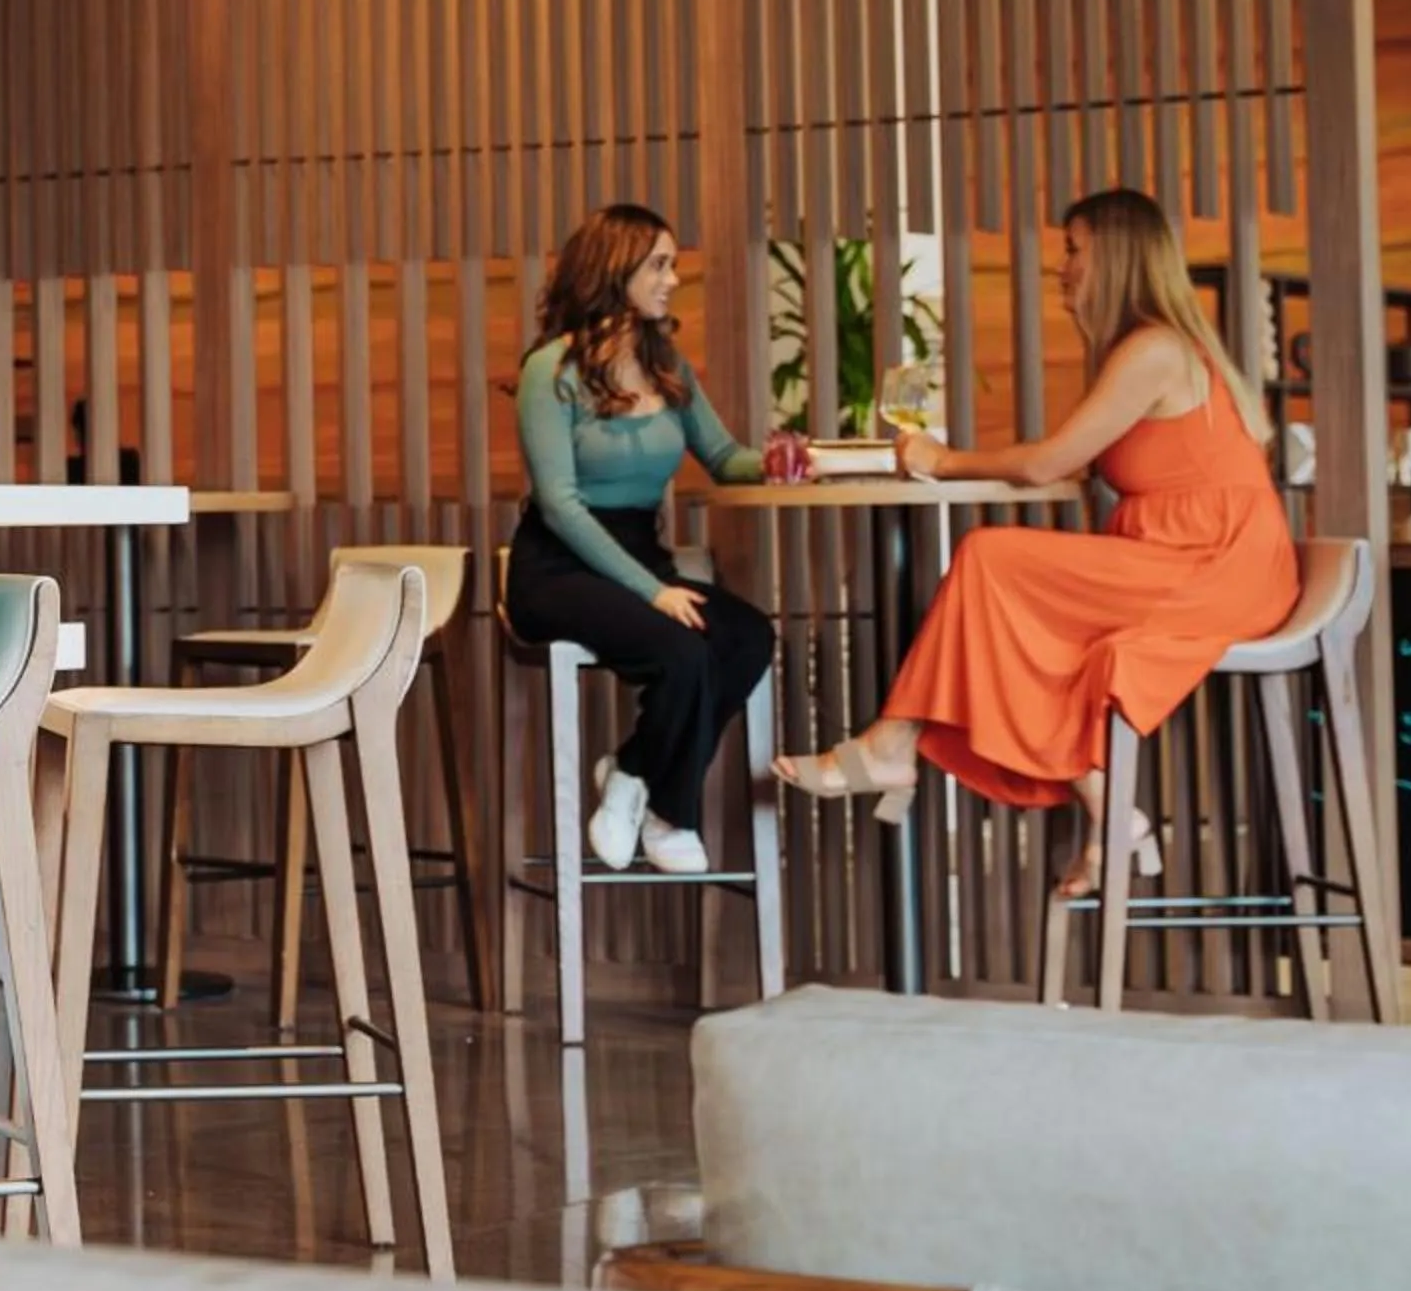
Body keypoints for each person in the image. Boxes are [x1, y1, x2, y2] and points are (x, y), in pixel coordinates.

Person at [776, 188, 1298, 899]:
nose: (1063, 266)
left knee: (991, 560)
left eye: (1074, 249)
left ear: (1113, 258)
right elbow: (1073, 458)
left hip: (1216, 564)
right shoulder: (1148, 350)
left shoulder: (1153, 350)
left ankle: (894, 743)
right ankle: (1110, 816)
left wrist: (940, 459)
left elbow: (1048, 464)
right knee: (1022, 623)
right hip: (1187, 554)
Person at [505, 204, 777, 876]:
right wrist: (654, 592)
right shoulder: (551, 369)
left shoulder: (665, 366)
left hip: (638, 553)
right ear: (613, 268)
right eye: (659, 264)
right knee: (682, 653)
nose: (672, 279)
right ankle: (674, 813)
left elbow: (721, 455)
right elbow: (562, 507)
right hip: (558, 567)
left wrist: (785, 459)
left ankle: (634, 779)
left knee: (747, 637)